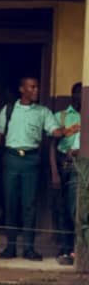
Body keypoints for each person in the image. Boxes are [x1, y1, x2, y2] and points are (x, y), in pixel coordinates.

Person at [0, 77, 67, 260]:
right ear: (22, 89)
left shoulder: (42, 112)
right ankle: (10, 248)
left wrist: (63, 131)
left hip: (31, 160)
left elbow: (54, 130)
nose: (36, 90)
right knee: (10, 204)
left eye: (37, 87)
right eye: (32, 87)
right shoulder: (9, 110)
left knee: (29, 206)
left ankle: (29, 248)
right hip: (11, 159)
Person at [50, 81, 82, 264]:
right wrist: (54, 171)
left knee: (75, 208)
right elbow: (52, 146)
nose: (81, 97)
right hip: (64, 165)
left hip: (81, 167)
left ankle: (76, 249)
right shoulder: (61, 116)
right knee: (62, 208)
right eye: (78, 94)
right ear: (73, 95)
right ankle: (65, 248)